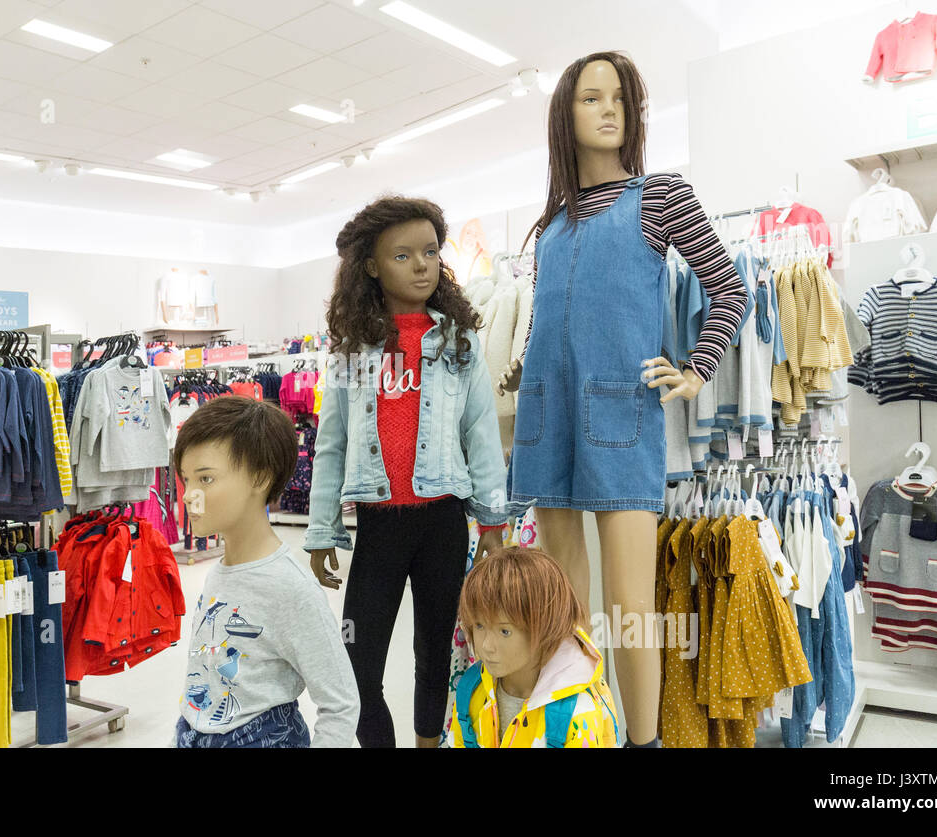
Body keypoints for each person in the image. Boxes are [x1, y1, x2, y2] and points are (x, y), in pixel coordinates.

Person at [497, 51, 747, 748]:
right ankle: (587, 726)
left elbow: (730, 287)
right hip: (548, 417)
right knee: (564, 598)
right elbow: (553, 323)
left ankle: (645, 741)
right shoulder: (547, 228)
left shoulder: (661, 197)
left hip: (621, 415)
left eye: (621, 98)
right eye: (591, 98)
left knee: (631, 604)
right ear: (564, 117)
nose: (610, 109)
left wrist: (697, 367)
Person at [306, 195, 516, 749]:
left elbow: (481, 436)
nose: (422, 265)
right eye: (403, 255)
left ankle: (429, 743)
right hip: (378, 527)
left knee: (434, 654)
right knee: (357, 662)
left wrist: (494, 522)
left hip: (443, 523)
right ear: (372, 266)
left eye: (429, 252)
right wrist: (321, 530)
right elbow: (331, 445)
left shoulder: (459, 342)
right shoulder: (353, 351)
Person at [174, 396, 358, 748]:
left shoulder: (292, 589)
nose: (188, 496)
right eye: (185, 479)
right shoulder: (218, 573)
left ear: (259, 477)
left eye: (206, 479)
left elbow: (341, 703)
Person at [450, 547, 618, 748]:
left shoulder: (576, 713)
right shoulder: (471, 691)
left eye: (505, 631)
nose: (486, 645)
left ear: (546, 627)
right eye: (479, 626)